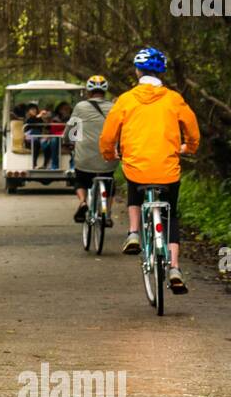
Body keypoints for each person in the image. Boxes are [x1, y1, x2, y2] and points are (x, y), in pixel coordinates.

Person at [99, 47, 201, 293]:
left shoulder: (125, 99)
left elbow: (108, 134)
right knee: (171, 216)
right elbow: (192, 127)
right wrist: (190, 146)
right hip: (168, 169)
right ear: (162, 72)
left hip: (136, 167)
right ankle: (175, 268)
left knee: (135, 185)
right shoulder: (173, 98)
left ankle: (133, 232)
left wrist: (109, 153)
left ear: (137, 71)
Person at [66, 76, 115, 224]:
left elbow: (72, 129)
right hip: (108, 157)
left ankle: (83, 202)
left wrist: (68, 141)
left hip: (85, 158)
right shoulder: (114, 107)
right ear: (105, 91)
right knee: (110, 180)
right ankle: (107, 213)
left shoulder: (80, 107)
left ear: (88, 91)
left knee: (80, 178)